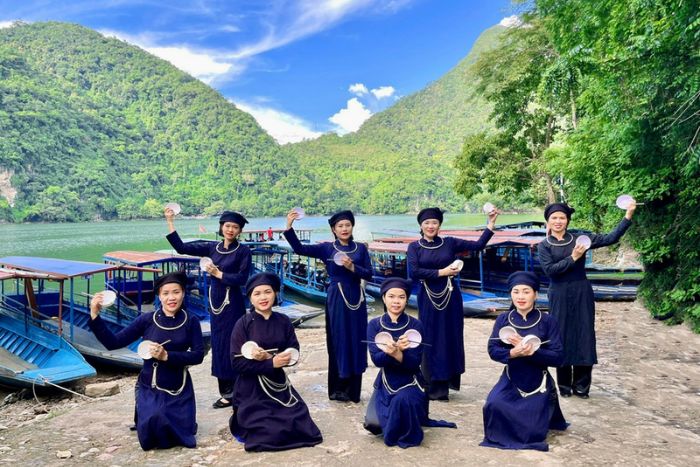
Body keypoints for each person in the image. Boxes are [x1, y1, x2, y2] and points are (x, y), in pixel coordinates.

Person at [88, 272, 204, 450]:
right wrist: (95, 315)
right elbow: (113, 343)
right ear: (159, 295)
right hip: (151, 385)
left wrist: (167, 356)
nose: (171, 298)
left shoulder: (191, 321)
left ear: (183, 293)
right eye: (165, 293)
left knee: (179, 435)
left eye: (176, 292)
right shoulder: (147, 320)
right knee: (154, 427)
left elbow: (198, 355)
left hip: (178, 385)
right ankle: (144, 411)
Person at [537, 201, 635, 398]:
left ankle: (582, 387)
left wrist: (628, 215)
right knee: (561, 335)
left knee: (584, 334)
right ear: (548, 221)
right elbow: (551, 271)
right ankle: (564, 386)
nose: (558, 221)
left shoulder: (580, 238)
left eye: (562, 218)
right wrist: (573, 258)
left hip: (581, 290)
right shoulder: (544, 245)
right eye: (554, 218)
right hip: (558, 293)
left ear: (567, 220)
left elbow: (610, 238)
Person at [407, 207, 498, 400]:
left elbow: (478, 245)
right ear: (421, 226)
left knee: (450, 336)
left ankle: (448, 381)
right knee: (430, 337)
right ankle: (432, 385)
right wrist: (442, 272)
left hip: (450, 296)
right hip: (428, 296)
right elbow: (414, 272)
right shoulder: (415, 247)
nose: (431, 226)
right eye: (427, 223)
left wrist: (491, 222)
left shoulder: (449, 243)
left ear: (439, 224)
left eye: (434, 222)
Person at [165, 209, 252, 409]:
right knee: (219, 344)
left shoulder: (243, 251)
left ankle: (242, 390)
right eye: (227, 226)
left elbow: (242, 279)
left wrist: (218, 274)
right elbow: (181, 247)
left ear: (240, 231)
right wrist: (170, 221)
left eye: (235, 227)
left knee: (235, 342)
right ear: (221, 227)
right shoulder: (213, 248)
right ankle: (226, 392)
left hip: (233, 302)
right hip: (215, 302)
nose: (230, 230)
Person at [284, 209, 371, 402]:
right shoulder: (327, 248)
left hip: (356, 297)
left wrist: (352, 267)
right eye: (340, 226)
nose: (344, 228)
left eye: (347, 225)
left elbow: (369, 274)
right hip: (337, 297)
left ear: (352, 227)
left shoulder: (361, 249)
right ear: (333, 229)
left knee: (357, 339)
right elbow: (300, 249)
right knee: (339, 340)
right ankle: (338, 390)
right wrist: (289, 227)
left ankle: (353, 390)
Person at [229, 272, 323, 452]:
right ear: (250, 298)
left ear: (275, 294)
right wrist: (270, 363)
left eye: (268, 292)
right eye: (257, 294)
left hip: (278, 385)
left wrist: (286, 357)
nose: (263, 297)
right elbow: (236, 363)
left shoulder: (283, 321)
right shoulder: (242, 324)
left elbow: (294, 350)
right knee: (269, 431)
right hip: (251, 388)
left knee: (303, 426)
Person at [480, 271, 567, 451]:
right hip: (511, 379)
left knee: (531, 430)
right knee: (493, 406)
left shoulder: (548, 320)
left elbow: (559, 357)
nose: (520, 297)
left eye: (526, 291)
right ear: (510, 294)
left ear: (535, 294)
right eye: (516, 291)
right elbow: (493, 350)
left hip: (538, 381)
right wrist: (513, 352)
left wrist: (532, 352)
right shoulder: (503, 319)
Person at [365, 277, 456, 448]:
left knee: (402, 404)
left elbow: (414, 363)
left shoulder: (415, 324)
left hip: (411, 382)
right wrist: (392, 353)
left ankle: (413, 413)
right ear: (383, 298)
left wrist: (398, 354)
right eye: (391, 296)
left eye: (401, 297)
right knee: (373, 424)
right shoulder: (374, 324)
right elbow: (377, 360)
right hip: (386, 382)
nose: (396, 301)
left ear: (407, 299)